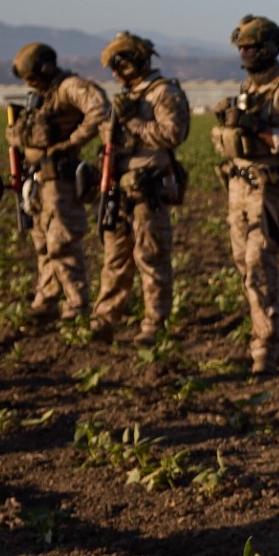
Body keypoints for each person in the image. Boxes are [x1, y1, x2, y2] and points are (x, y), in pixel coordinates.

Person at [210, 14, 279, 375]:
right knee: (245, 266)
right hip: (237, 191)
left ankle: (265, 349)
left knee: (258, 265)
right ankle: (268, 337)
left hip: (266, 192)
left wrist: (257, 127)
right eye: (242, 48)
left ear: (270, 47)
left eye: (253, 47)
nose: (247, 53)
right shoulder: (245, 90)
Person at [90, 32, 190, 342]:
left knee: (151, 258)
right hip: (117, 189)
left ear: (138, 62)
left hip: (148, 190)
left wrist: (134, 123)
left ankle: (153, 324)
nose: (115, 73)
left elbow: (173, 134)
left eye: (120, 64)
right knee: (115, 259)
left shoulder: (164, 93)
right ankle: (104, 320)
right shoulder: (125, 97)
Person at [5, 42, 109, 323]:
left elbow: (100, 110)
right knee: (42, 243)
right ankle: (47, 298)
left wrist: (71, 142)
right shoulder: (42, 96)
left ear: (46, 68)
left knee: (62, 242)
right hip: (36, 179)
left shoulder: (70, 87)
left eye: (32, 77)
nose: (30, 83)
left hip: (60, 180)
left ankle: (77, 303)